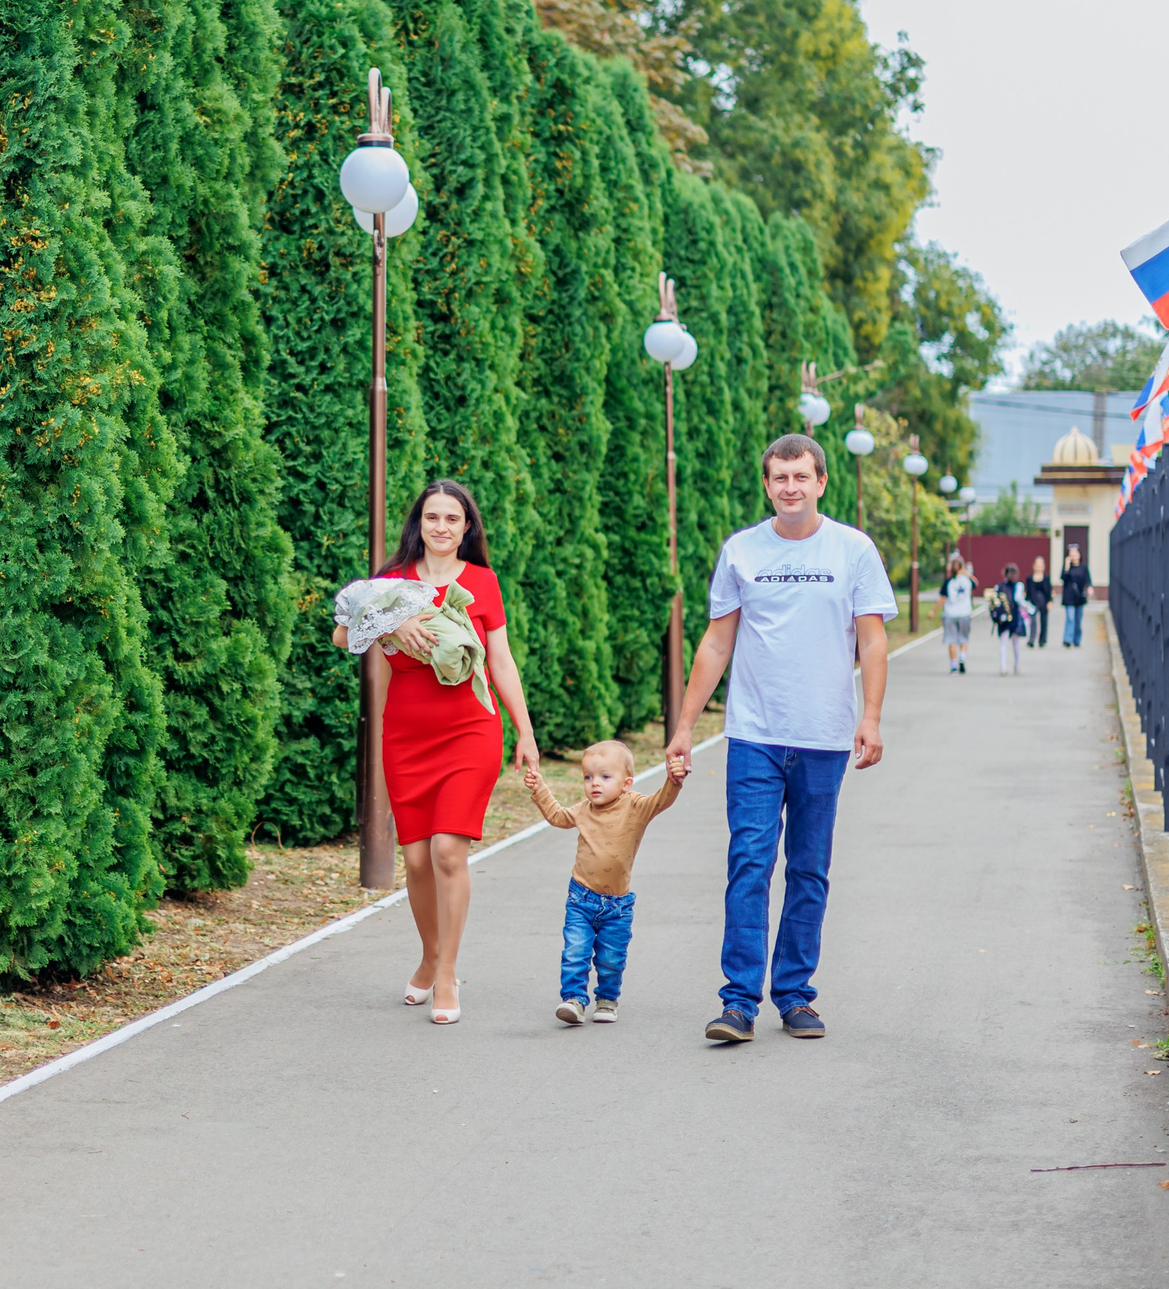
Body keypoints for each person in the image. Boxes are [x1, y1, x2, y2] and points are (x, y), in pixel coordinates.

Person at [666, 434, 895, 1043]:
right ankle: (738, 1001)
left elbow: (871, 639)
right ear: (767, 485)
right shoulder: (742, 551)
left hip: (823, 738)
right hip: (754, 737)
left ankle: (795, 994)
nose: (790, 486)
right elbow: (717, 642)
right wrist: (686, 726)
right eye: (779, 477)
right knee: (749, 863)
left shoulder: (853, 549)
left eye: (802, 476)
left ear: (822, 482)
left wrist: (869, 716)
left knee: (809, 869)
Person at [333, 479, 538, 1025]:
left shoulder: (483, 582)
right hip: (406, 733)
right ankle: (428, 956)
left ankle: (447, 972)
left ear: (467, 527)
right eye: (432, 518)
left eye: (453, 518)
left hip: (472, 728)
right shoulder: (391, 581)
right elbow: (341, 634)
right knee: (418, 859)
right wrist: (392, 621)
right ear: (418, 524)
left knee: (448, 850)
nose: (442, 527)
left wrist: (527, 733)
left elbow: (502, 661)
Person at [524, 738, 682, 1026]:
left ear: (626, 783)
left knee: (611, 959)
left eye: (605, 777)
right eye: (588, 777)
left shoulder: (636, 807)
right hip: (580, 898)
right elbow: (558, 817)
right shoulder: (584, 809)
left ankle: (607, 1000)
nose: (594, 784)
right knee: (575, 951)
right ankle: (573, 999)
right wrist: (539, 788)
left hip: (618, 906)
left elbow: (662, 800)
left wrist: (673, 780)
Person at [939, 557, 973, 675]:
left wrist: (934, 611)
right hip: (965, 613)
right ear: (962, 567)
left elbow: (943, 598)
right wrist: (966, 573)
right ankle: (962, 657)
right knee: (963, 638)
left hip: (950, 614)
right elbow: (976, 583)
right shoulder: (967, 581)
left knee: (951, 640)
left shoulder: (949, 582)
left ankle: (953, 666)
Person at [990, 563, 1026, 675]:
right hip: (1014, 616)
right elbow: (1019, 600)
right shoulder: (1018, 586)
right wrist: (1030, 608)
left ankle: (1003, 667)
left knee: (1003, 643)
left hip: (1003, 619)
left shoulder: (999, 586)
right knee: (1015, 643)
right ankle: (1017, 665)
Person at [1059, 546, 1092, 647]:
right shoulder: (1067, 568)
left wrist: (1090, 588)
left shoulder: (1083, 568)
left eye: (1075, 554)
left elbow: (1087, 580)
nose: (1073, 557)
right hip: (1069, 597)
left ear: (1079, 555)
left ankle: (1077, 640)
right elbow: (1063, 577)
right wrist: (1067, 566)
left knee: (1078, 620)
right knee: (1070, 618)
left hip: (1079, 597)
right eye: (1071, 555)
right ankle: (1067, 639)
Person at [1025, 555, 1054, 648]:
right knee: (1033, 621)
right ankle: (1031, 639)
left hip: (1043, 601)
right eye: (1037, 565)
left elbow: (1049, 591)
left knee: (1043, 620)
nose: (1039, 567)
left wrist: (1050, 601)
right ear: (1033, 566)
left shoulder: (1046, 578)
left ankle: (1042, 640)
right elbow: (1028, 592)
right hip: (1033, 601)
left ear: (1044, 566)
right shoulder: (1029, 579)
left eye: (1040, 565)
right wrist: (1026, 602)